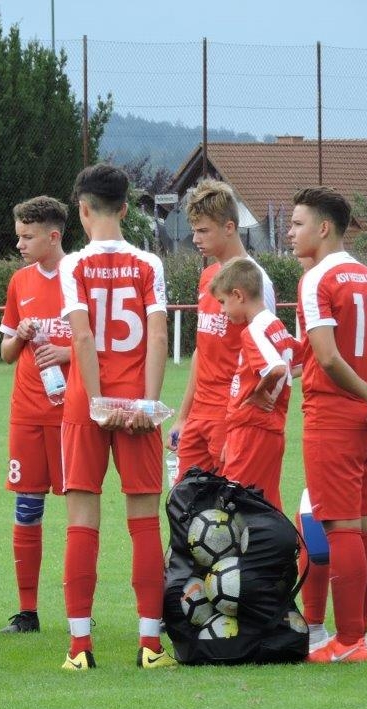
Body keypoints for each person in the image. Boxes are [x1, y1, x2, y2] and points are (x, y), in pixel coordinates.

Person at [57, 163, 175, 670]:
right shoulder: (150, 264)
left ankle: (80, 648)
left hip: (88, 406)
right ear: (126, 208)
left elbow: (81, 337)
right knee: (144, 522)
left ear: (83, 209)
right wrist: (146, 405)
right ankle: (150, 645)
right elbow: (158, 336)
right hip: (139, 410)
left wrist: (99, 401)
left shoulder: (73, 266)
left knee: (83, 521)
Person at [290, 187, 367, 664]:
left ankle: (348, 640)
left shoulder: (316, 280)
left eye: (296, 223)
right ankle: (360, 635)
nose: (290, 233)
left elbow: (327, 357)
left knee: (343, 527)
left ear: (323, 228)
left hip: (336, 411)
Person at [0, 196, 72, 633]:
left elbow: (97, 348)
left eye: (27, 236)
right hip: (27, 412)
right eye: (18, 235)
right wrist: (21, 335)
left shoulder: (79, 279)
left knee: (79, 509)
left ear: (53, 236)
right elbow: (6, 353)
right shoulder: (19, 282)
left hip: (70, 415)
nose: (20, 243)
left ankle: (77, 609)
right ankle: (28, 611)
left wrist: (63, 351)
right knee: (27, 507)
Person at [170, 180, 275, 478]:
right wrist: (183, 417)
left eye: (204, 231)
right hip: (199, 415)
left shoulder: (256, 281)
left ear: (229, 227)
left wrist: (242, 421)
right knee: (185, 506)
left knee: (230, 513)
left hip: (231, 414)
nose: (195, 239)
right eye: (194, 230)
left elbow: (267, 355)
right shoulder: (208, 277)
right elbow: (202, 351)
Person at [209, 258, 300, 510]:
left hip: (252, 430)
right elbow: (295, 364)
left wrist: (259, 394)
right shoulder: (277, 326)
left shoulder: (254, 330)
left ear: (238, 295)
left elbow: (277, 368)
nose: (222, 310)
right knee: (267, 506)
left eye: (223, 302)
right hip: (268, 431)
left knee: (234, 507)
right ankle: (281, 550)